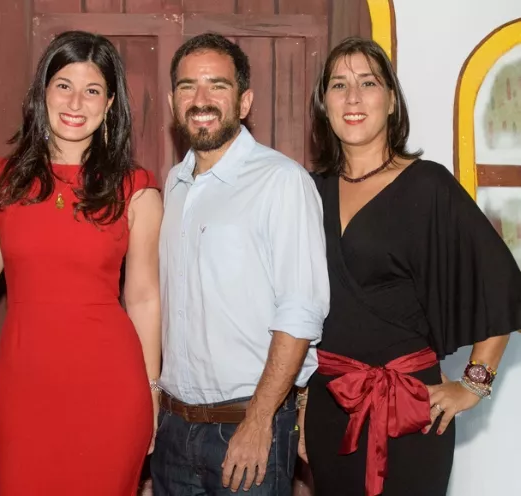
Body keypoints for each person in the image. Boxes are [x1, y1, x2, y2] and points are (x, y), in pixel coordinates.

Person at [301, 37, 520, 496]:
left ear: (391, 100)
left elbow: (501, 285)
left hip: (411, 411)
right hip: (329, 406)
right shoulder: (306, 192)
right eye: (339, 85)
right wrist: (301, 404)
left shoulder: (429, 185)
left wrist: (474, 385)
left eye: (368, 83)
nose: (354, 98)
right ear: (324, 105)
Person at [0, 31, 163, 495]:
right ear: (42, 92)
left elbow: (143, 297)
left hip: (111, 388)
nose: (77, 101)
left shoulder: (137, 187)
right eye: (63, 85)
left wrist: (153, 394)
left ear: (110, 102)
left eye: (92, 90)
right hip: (24, 388)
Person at [151, 33, 330, 496]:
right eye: (188, 86)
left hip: (247, 427)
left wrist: (258, 421)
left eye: (218, 86)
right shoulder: (175, 183)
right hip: (172, 430)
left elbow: (300, 314)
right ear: (173, 101)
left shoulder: (282, 182)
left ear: (245, 100)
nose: (202, 100)